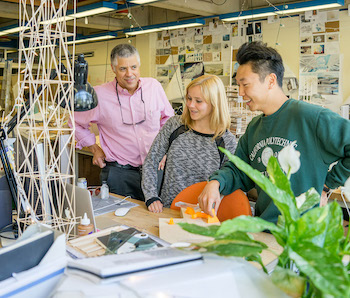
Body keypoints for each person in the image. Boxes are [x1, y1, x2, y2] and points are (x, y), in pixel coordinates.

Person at [199, 41, 350, 223]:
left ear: (270, 80)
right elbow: (240, 170)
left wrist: (327, 185)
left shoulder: (310, 117)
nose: (240, 93)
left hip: (305, 235)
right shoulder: (254, 127)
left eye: (245, 85)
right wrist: (215, 183)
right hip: (267, 230)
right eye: (238, 85)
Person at [72, 44, 174, 200]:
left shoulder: (154, 87)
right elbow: (74, 122)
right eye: (123, 69)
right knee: (119, 221)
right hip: (119, 174)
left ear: (139, 65)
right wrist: (94, 149)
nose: (130, 74)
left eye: (133, 67)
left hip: (154, 170)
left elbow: (169, 121)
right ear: (113, 68)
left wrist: (165, 150)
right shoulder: (99, 94)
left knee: (156, 218)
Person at [142, 74, 237, 213]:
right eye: (189, 98)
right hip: (168, 211)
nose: (191, 105)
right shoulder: (174, 125)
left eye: (198, 101)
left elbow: (232, 182)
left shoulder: (227, 141)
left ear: (214, 103)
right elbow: (151, 161)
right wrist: (151, 196)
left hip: (203, 217)